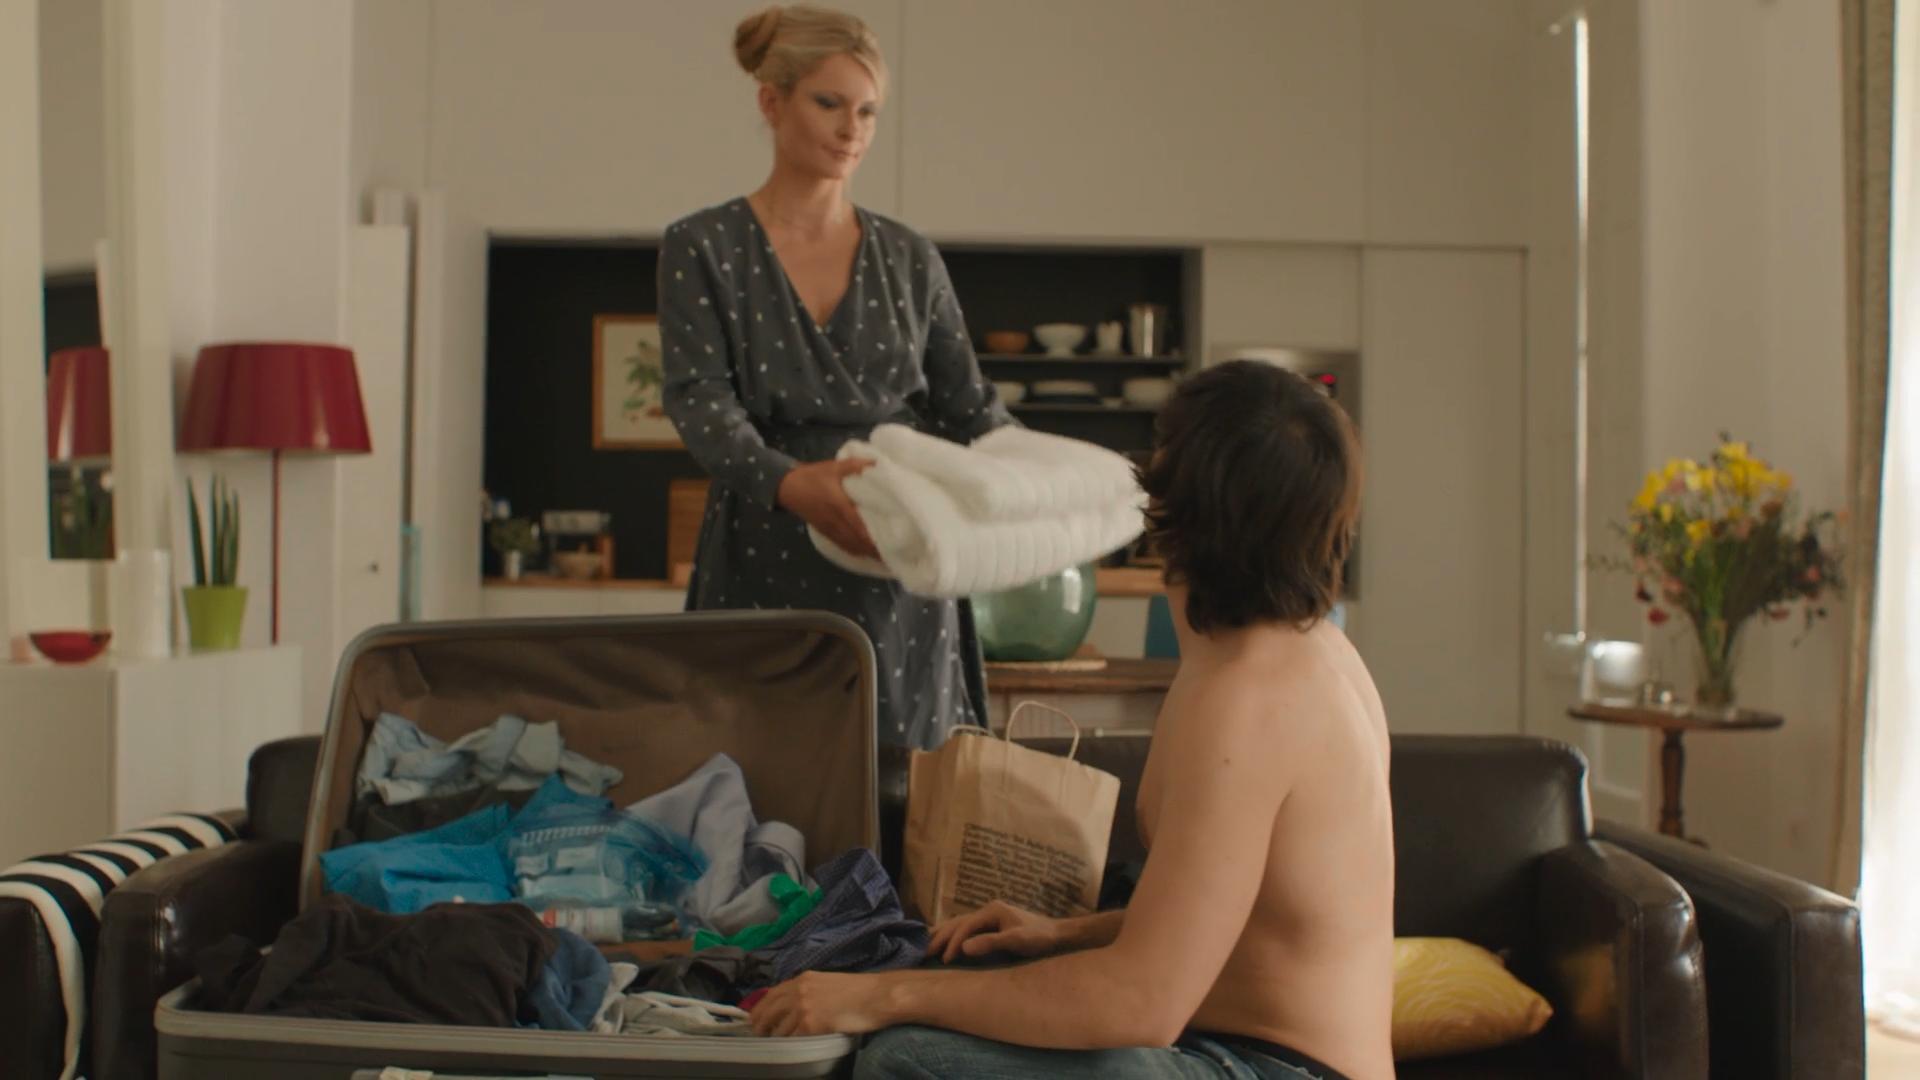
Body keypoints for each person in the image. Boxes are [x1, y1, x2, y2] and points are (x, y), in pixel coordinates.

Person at [749, 361, 1396, 1080]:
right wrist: (1064, 935)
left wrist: (882, 996)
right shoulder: (1292, 654)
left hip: (1278, 1068)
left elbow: (1141, 1003)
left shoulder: (1252, 702)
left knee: (905, 1058)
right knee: (939, 1000)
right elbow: (1249, 917)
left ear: (1178, 498)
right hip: (1243, 1046)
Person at [659, 4, 1011, 751]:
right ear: (771, 101)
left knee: (905, 786)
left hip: (899, 557)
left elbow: (971, 409)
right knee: (760, 773)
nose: (853, 129)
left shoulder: (910, 257)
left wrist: (1059, 486)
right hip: (764, 549)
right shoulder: (703, 245)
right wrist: (791, 484)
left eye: (868, 111)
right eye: (830, 103)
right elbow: (699, 400)